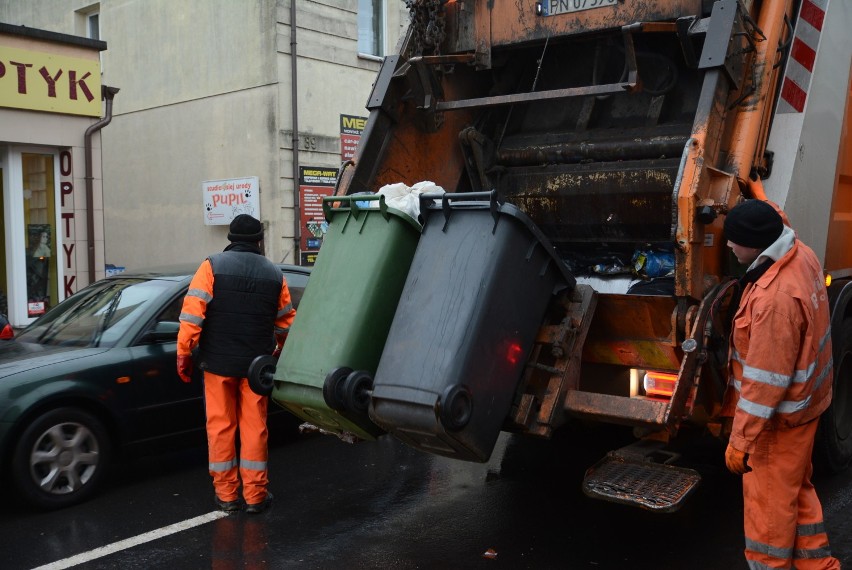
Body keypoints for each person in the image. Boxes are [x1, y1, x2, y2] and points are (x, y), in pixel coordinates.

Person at [722, 199, 839, 569]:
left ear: (755, 245)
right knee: (796, 495)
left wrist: (740, 441)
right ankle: (817, 566)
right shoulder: (799, 252)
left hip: (775, 425)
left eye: (734, 240)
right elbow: (775, 216)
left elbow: (764, 385)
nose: (728, 246)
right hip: (804, 412)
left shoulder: (774, 302)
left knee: (768, 519)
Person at [177, 214, 296, 514]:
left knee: (220, 427)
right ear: (259, 241)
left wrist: (184, 352)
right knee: (255, 428)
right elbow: (285, 324)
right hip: (256, 368)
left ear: (230, 239)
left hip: (218, 364)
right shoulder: (274, 273)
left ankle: (227, 496)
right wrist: (278, 353)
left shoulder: (211, 266)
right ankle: (256, 496)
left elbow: (193, 314)